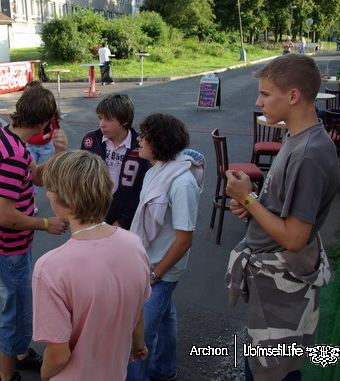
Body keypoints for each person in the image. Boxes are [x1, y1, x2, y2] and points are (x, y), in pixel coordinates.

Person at [225, 54, 339, 381]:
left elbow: (294, 237)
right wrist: (253, 205)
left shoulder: (309, 153)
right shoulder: (295, 136)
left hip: (283, 287)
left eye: (265, 93)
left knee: (272, 372)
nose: (258, 101)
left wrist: (246, 197)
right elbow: (282, 209)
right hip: (273, 284)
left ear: (292, 96)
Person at [33, 150, 151, 380]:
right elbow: (137, 312)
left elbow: (58, 354)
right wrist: (139, 347)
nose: (47, 195)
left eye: (51, 190)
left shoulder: (50, 268)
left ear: (65, 200)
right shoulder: (134, 244)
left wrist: (45, 375)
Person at [0, 85, 70, 381]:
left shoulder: (4, 137)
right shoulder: (15, 155)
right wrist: (46, 224)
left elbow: (36, 177)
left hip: (0, 243)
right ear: (45, 122)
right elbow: (4, 215)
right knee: (16, 314)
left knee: (16, 306)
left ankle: (18, 353)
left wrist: (57, 153)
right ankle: (7, 376)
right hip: (7, 247)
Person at [126, 114, 205, 381]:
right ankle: (165, 369)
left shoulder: (182, 183)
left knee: (140, 336)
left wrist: (154, 275)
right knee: (166, 317)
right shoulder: (155, 171)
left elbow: (185, 240)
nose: (138, 139)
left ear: (159, 142)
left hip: (160, 269)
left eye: (144, 135)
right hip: (151, 263)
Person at [80, 93, 151, 230]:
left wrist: (124, 221)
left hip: (124, 216)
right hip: (92, 214)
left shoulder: (140, 145)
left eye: (108, 119)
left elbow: (141, 188)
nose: (102, 124)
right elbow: (81, 178)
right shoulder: (91, 140)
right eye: (100, 118)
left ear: (124, 121)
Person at [24, 81, 61, 214]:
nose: (25, 94)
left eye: (28, 91)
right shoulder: (25, 110)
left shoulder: (47, 109)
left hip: (46, 146)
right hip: (31, 146)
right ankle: (32, 203)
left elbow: (55, 128)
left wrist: (46, 137)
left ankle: (60, 199)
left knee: (50, 175)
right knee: (29, 174)